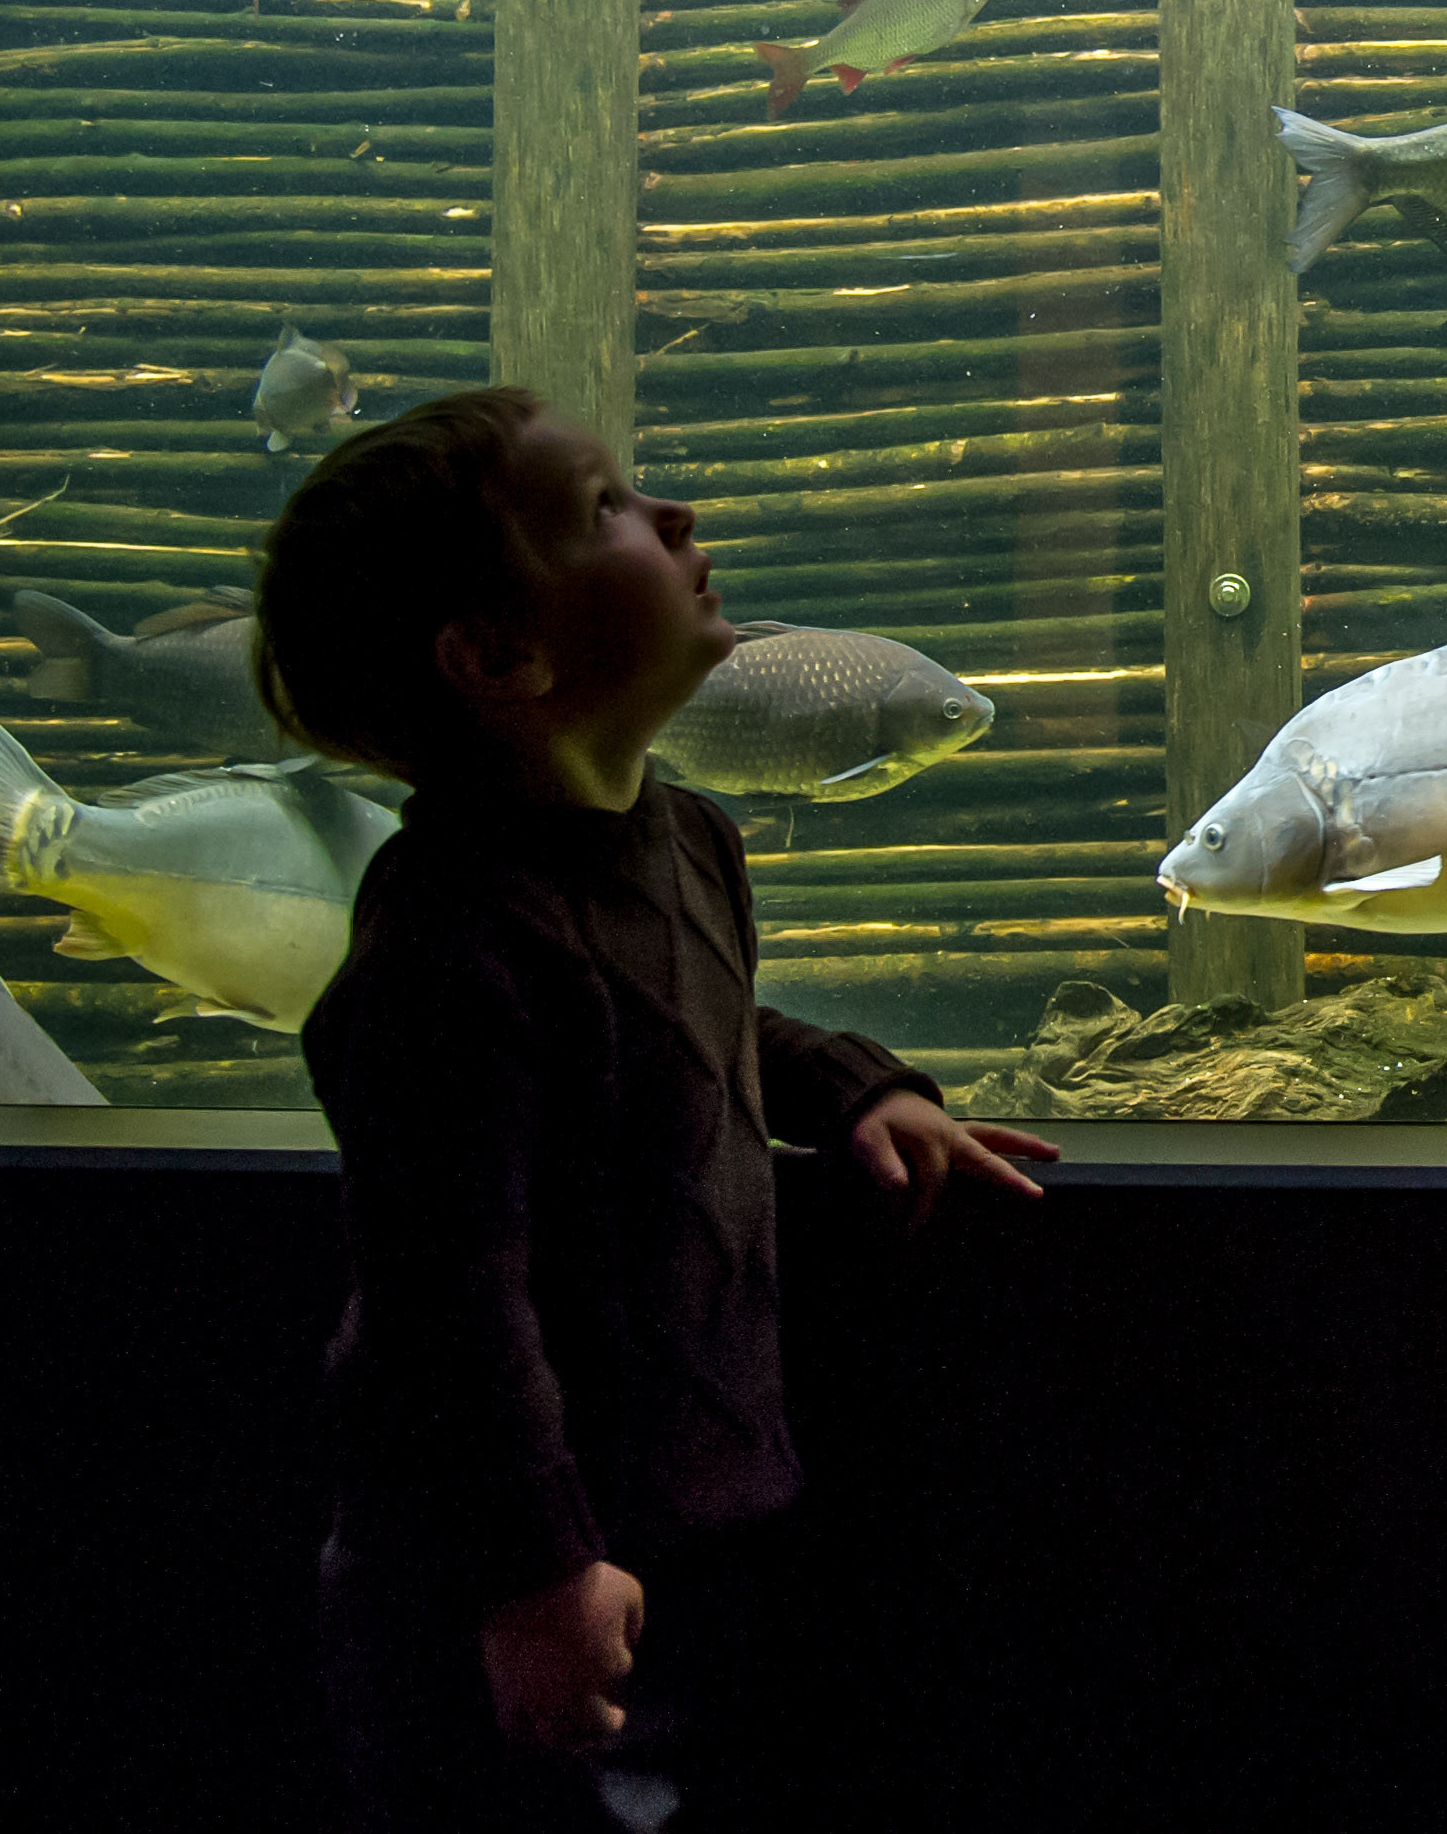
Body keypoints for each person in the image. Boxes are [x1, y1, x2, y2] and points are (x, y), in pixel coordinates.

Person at [257, 387, 1057, 1832]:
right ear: (498, 655)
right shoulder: (450, 939)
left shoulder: (682, 834)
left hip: (688, 1524)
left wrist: (858, 1086)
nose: (675, 514)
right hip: (502, 1576)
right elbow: (447, 1296)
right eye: (605, 507)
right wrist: (533, 1571)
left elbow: (679, 1029)